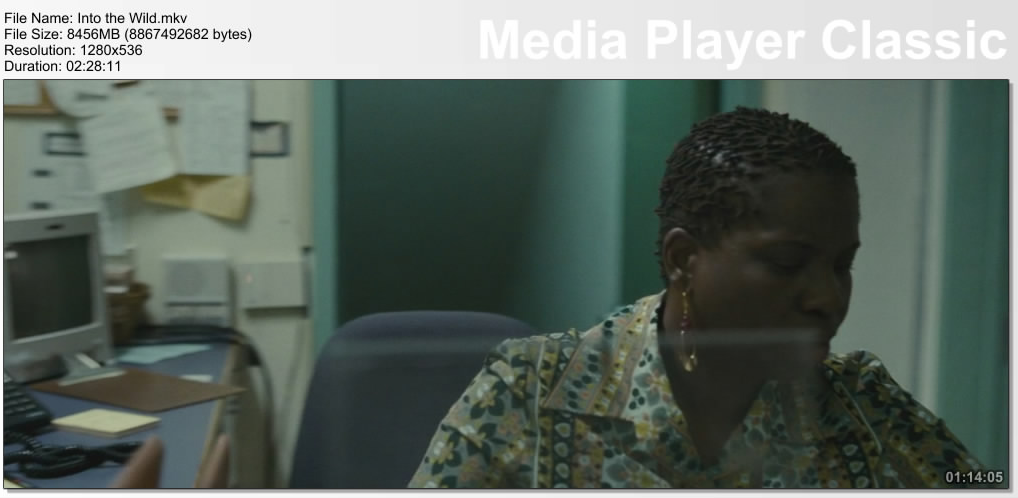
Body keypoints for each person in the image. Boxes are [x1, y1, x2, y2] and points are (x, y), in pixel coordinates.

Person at [407, 107, 988, 488]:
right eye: (788, 264)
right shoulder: (531, 393)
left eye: (843, 266)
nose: (827, 298)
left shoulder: (864, 406)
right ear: (684, 258)